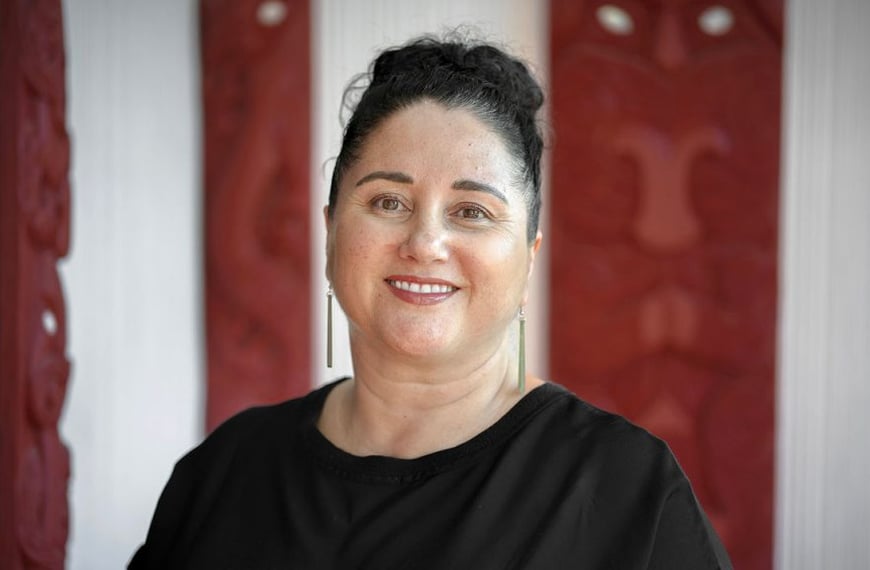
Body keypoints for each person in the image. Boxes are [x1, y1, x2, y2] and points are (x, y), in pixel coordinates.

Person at [129, 34, 732, 569]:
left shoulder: (624, 489)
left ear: (528, 258)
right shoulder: (227, 470)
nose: (424, 243)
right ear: (331, 230)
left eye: (472, 212)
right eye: (388, 202)